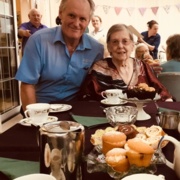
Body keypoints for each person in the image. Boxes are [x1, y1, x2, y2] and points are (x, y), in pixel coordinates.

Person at [15, 0, 104, 112]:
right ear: (61, 13)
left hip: (76, 111)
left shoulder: (96, 49)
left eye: (82, 19)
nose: (76, 24)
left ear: (88, 21)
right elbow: (27, 84)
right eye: (72, 15)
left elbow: (96, 87)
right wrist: (35, 118)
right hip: (41, 109)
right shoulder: (38, 40)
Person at [79, 24, 172, 102]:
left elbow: (163, 93)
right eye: (115, 42)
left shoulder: (142, 66)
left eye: (125, 41)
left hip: (142, 117)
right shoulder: (99, 68)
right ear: (109, 46)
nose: (120, 46)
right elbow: (87, 99)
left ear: (132, 46)